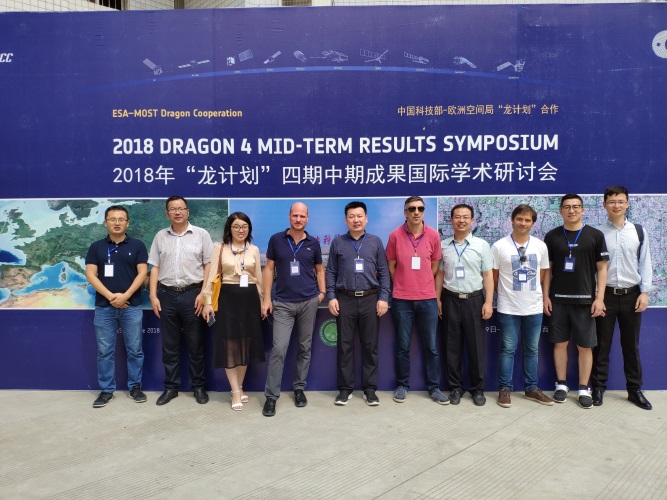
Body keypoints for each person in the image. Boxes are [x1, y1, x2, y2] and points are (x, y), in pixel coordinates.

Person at [543, 194, 608, 409]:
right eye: (567, 207)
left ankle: (583, 388)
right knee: (560, 343)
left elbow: (602, 269)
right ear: (560, 210)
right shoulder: (552, 236)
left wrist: (599, 298)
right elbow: (548, 270)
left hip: (585, 301)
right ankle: (561, 385)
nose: (571, 210)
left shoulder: (595, 235)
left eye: (576, 207)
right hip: (558, 300)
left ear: (582, 210)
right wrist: (545, 296)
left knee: (585, 346)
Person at [592, 186, 655, 410]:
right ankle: (598, 388)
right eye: (612, 201)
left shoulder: (639, 231)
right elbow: (593, 268)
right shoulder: (597, 233)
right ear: (604, 205)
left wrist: (644, 292)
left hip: (632, 295)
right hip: (606, 295)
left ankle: (634, 390)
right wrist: (597, 297)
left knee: (631, 346)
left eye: (621, 201)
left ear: (627, 203)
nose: (616, 205)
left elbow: (645, 262)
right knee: (601, 345)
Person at [261, 202, 325, 417]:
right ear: (289, 216)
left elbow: (319, 270)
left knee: (305, 348)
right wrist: (267, 298)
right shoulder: (276, 240)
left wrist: (322, 293)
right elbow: (269, 269)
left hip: (308, 302)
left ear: (307, 218)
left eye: (302, 216)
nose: (298, 219)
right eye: (295, 215)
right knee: (279, 349)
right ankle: (271, 397)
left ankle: (299, 389)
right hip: (283, 303)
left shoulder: (313, 243)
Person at [148, 196, 213, 406]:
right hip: (166, 294)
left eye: (181, 208)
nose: (177, 212)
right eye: (173, 209)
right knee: (169, 345)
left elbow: (209, 266)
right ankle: (171, 388)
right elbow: (155, 267)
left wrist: (204, 294)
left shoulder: (201, 234)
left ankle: (198, 387)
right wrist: (153, 295)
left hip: (193, 294)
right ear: (167, 213)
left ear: (188, 212)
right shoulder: (160, 236)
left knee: (196, 344)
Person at [326, 201, 391, 406]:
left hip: (370, 299)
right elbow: (331, 272)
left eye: (360, 216)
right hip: (344, 299)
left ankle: (369, 390)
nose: (356, 220)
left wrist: (383, 298)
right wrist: (331, 296)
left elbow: (384, 272)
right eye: (352, 216)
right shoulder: (338, 242)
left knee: (370, 346)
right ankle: (345, 389)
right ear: (346, 220)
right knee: (344, 346)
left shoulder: (375, 241)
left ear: (366, 219)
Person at [386, 196, 449, 405]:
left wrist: (422, 282)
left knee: (431, 347)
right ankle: (402, 385)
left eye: (420, 208)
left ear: (423, 211)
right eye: (411, 208)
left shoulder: (433, 235)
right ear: (405, 212)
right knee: (403, 346)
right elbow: (391, 266)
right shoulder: (395, 235)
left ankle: (434, 387)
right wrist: (403, 283)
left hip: (428, 298)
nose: (416, 212)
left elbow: (435, 265)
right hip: (402, 299)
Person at [86, 205, 148, 408]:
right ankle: (106, 390)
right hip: (104, 307)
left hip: (132, 306)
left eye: (121, 219)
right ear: (105, 223)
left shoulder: (137, 245)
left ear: (127, 223)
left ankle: (135, 387)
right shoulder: (96, 247)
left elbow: (142, 273)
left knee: (135, 350)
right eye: (112, 219)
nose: (117, 222)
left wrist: (126, 296)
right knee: (105, 351)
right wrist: (112, 297)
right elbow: (91, 275)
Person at [491, 204, 553, 408]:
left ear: (533, 223)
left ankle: (531, 388)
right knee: (508, 349)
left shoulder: (540, 246)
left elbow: (542, 274)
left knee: (532, 349)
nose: (523, 223)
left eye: (527, 220)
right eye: (519, 219)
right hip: (508, 307)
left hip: (533, 307)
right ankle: (504, 388)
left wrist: (533, 295)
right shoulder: (499, 246)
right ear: (512, 220)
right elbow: (494, 276)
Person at [202, 212, 265, 411]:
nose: (240, 230)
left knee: (245, 344)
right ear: (229, 228)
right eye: (236, 226)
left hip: (250, 300)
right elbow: (212, 277)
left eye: (244, 226)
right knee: (230, 345)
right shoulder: (220, 249)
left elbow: (259, 278)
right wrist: (207, 301)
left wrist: (263, 301)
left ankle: (240, 386)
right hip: (227, 300)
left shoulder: (254, 249)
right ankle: (235, 391)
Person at [435, 204, 493, 406]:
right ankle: (455, 388)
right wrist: (437, 299)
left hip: (474, 300)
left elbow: (488, 275)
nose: (461, 220)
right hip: (450, 299)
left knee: (476, 347)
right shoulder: (443, 245)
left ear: (472, 220)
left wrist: (488, 302)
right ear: (451, 220)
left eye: (466, 217)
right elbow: (440, 274)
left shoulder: (481, 245)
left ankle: (477, 389)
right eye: (457, 217)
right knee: (452, 347)